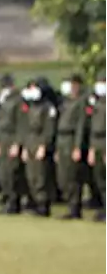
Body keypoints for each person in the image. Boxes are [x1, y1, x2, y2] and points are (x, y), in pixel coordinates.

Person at [54, 75, 91, 219]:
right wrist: (57, 147)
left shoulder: (81, 102)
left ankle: (75, 207)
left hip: (71, 139)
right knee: (62, 176)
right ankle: (69, 204)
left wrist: (77, 146)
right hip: (62, 139)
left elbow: (81, 126)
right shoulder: (65, 102)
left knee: (72, 176)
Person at [21, 79, 57, 217]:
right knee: (31, 175)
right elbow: (25, 127)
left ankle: (43, 205)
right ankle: (35, 202)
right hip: (30, 141)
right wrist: (25, 146)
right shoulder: (30, 106)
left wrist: (44, 145)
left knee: (41, 174)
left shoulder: (47, 107)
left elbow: (49, 128)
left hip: (40, 140)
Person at [0, 74, 27, 214]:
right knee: (3, 173)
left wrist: (17, 143)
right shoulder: (3, 101)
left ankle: (14, 202)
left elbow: (21, 123)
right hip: (3, 139)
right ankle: (6, 199)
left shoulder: (18, 101)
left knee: (12, 172)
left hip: (12, 137)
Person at [88, 77, 107, 221]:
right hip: (97, 142)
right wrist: (92, 149)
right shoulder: (97, 104)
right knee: (100, 179)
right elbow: (93, 129)